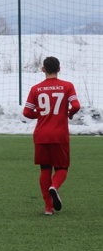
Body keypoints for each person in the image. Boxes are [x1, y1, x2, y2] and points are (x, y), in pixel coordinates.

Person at [23, 56, 80, 215]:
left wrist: (40, 115)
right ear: (59, 69)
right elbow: (76, 105)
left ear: (43, 69)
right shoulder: (67, 86)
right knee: (62, 168)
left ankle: (48, 208)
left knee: (45, 169)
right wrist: (69, 113)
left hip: (41, 135)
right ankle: (54, 187)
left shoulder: (36, 89)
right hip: (59, 135)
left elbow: (27, 112)